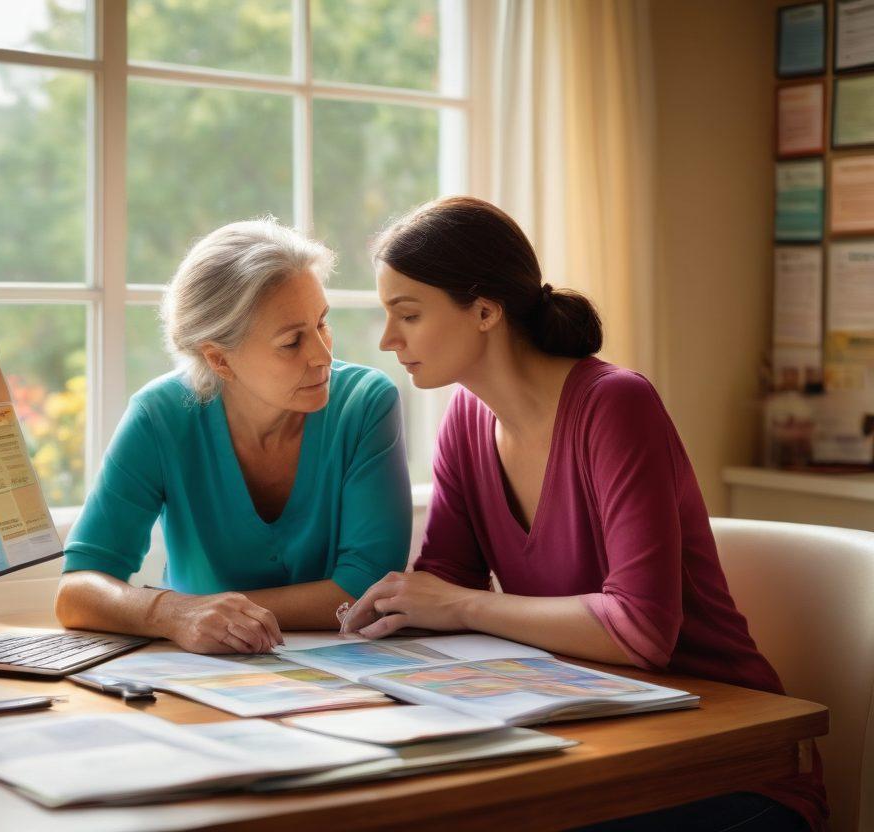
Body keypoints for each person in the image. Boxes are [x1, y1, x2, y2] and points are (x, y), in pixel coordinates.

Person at [340, 196, 826, 831]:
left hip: (727, 767)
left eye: (408, 314)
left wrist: (456, 605)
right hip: (598, 739)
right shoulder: (464, 420)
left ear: (485, 311)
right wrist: (386, 619)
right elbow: (443, 586)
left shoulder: (615, 406)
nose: (387, 339)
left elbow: (640, 631)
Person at [54, 218, 411, 655]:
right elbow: (77, 590)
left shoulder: (365, 404)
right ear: (219, 360)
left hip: (347, 678)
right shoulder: (159, 417)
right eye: (291, 341)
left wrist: (210, 613)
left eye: (322, 323)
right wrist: (173, 614)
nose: (322, 355)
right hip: (201, 681)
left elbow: (365, 588)